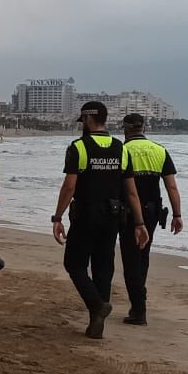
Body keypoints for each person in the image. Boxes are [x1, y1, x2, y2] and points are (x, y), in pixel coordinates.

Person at [50, 100, 148, 339]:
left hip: (85, 217)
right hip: (113, 219)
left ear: (88, 119)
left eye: (83, 120)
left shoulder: (79, 147)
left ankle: (96, 305)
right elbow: (132, 191)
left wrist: (58, 216)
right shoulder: (120, 148)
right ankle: (96, 324)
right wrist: (139, 223)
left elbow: (69, 186)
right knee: (103, 268)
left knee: (74, 265)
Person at [118, 112, 183, 325]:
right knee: (143, 255)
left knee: (130, 258)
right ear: (143, 128)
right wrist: (177, 214)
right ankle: (139, 301)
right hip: (153, 211)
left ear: (126, 129)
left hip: (128, 212)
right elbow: (171, 186)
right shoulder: (159, 150)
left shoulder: (122, 151)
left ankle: (138, 309)